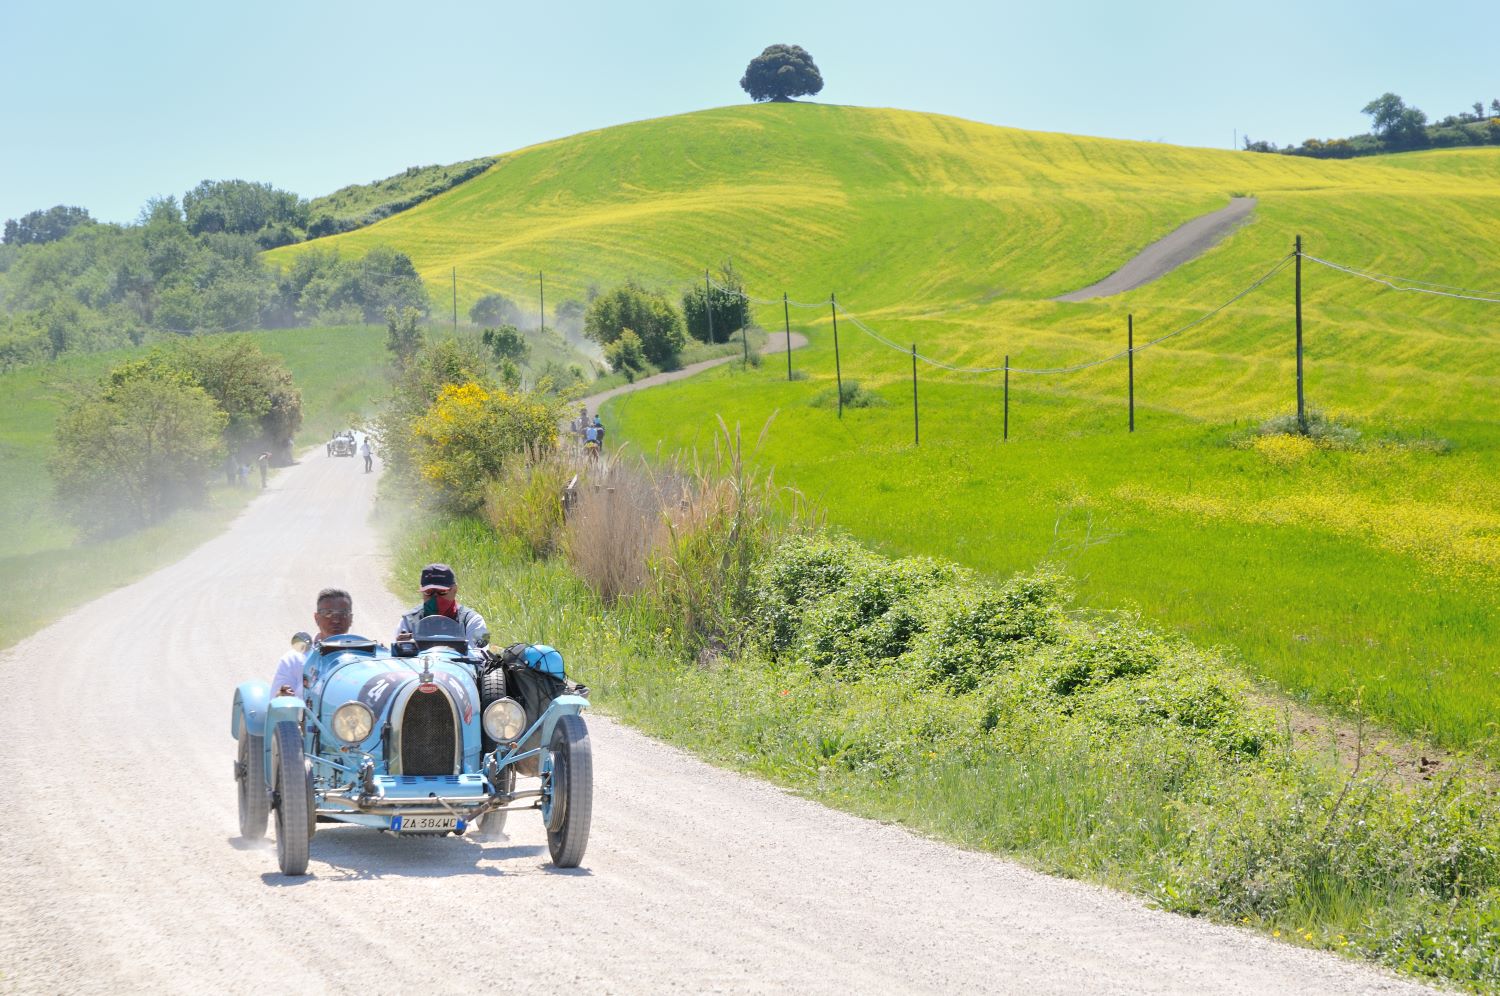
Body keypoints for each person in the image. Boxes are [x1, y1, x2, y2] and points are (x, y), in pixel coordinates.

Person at [271, 588, 355, 697]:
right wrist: (282, 696)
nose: (336, 620)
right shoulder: (294, 659)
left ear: (351, 619)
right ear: (316, 618)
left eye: (343, 613)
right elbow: (276, 705)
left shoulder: (363, 658)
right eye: (328, 613)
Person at [394, 563, 489, 649]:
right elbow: (397, 660)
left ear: (455, 590)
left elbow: (481, 656)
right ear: (422, 592)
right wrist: (402, 646)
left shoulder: (474, 621)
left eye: (442, 592)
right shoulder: (407, 621)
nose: (435, 598)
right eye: (429, 592)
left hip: (459, 668)